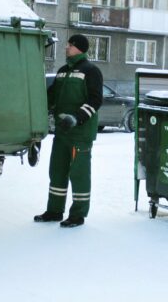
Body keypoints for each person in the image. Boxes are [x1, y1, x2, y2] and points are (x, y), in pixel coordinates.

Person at [34, 34, 103, 228]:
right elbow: (52, 96)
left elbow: (96, 100)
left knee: (79, 174)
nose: (66, 48)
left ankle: (78, 215)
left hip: (80, 133)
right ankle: (54, 210)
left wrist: (77, 118)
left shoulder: (91, 71)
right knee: (57, 171)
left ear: (79, 48)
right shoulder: (63, 71)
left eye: (70, 45)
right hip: (62, 132)